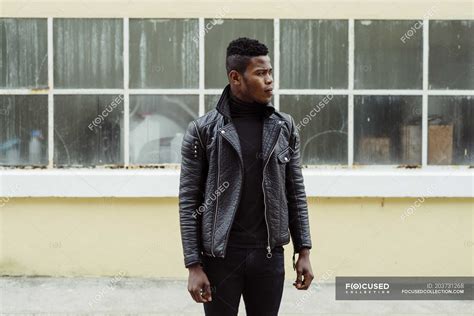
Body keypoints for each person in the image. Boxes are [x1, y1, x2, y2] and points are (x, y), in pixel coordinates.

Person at [178, 37, 313, 316]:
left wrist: (304, 250)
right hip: (220, 258)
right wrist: (193, 264)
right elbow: (189, 201)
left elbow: (295, 192)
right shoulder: (203, 131)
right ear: (236, 77)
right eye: (260, 73)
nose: (270, 80)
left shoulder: (284, 127)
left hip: (268, 256)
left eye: (270, 72)